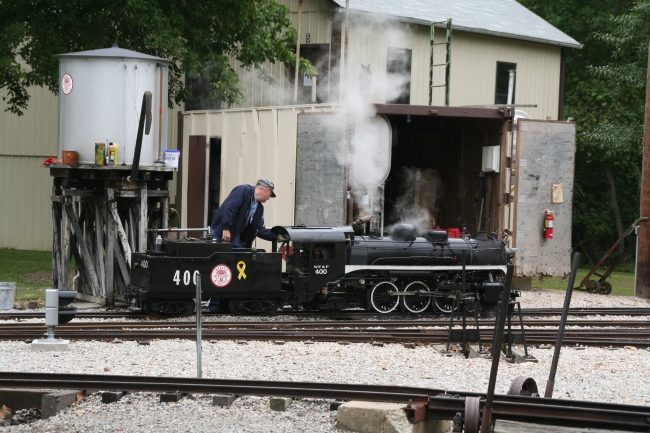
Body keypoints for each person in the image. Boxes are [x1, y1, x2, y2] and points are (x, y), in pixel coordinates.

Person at [210, 178, 278, 248]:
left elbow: (258, 229)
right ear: (267, 190)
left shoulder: (259, 208)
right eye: (269, 195)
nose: (268, 198)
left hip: (235, 237)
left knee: (241, 258)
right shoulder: (244, 190)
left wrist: (277, 237)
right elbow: (229, 207)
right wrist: (226, 229)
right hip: (219, 233)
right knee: (219, 258)